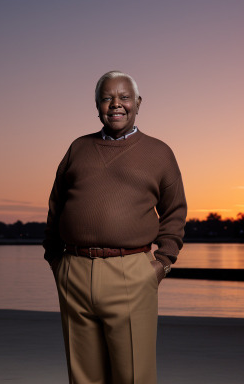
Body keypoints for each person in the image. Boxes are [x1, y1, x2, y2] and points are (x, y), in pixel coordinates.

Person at [43, 70, 187, 384]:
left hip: (131, 272)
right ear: (97, 105)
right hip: (74, 272)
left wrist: (162, 263)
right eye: (107, 98)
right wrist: (55, 261)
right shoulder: (78, 148)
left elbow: (175, 212)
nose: (116, 104)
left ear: (137, 103)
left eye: (124, 97)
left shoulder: (159, 152)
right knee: (84, 377)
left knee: (133, 376)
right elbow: (56, 206)